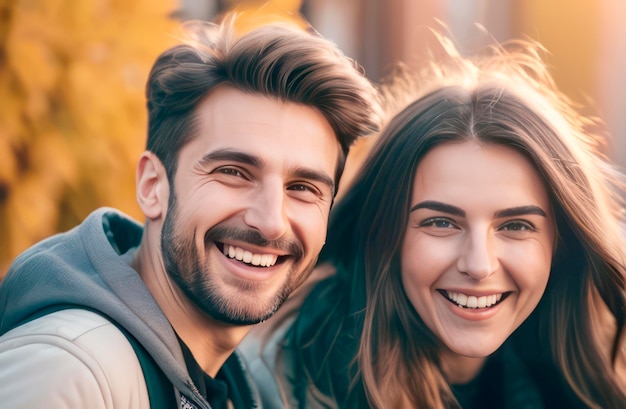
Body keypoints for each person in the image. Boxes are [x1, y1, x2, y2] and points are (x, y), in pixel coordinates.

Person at [0, 16, 380, 409]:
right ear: (153, 187)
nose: (270, 222)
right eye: (233, 172)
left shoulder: (224, 389)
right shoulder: (70, 376)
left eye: (303, 188)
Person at [240, 36, 626, 408]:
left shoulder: (591, 375)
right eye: (441, 223)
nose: (479, 265)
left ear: (563, 244)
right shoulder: (269, 390)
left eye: (516, 226)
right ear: (380, 234)